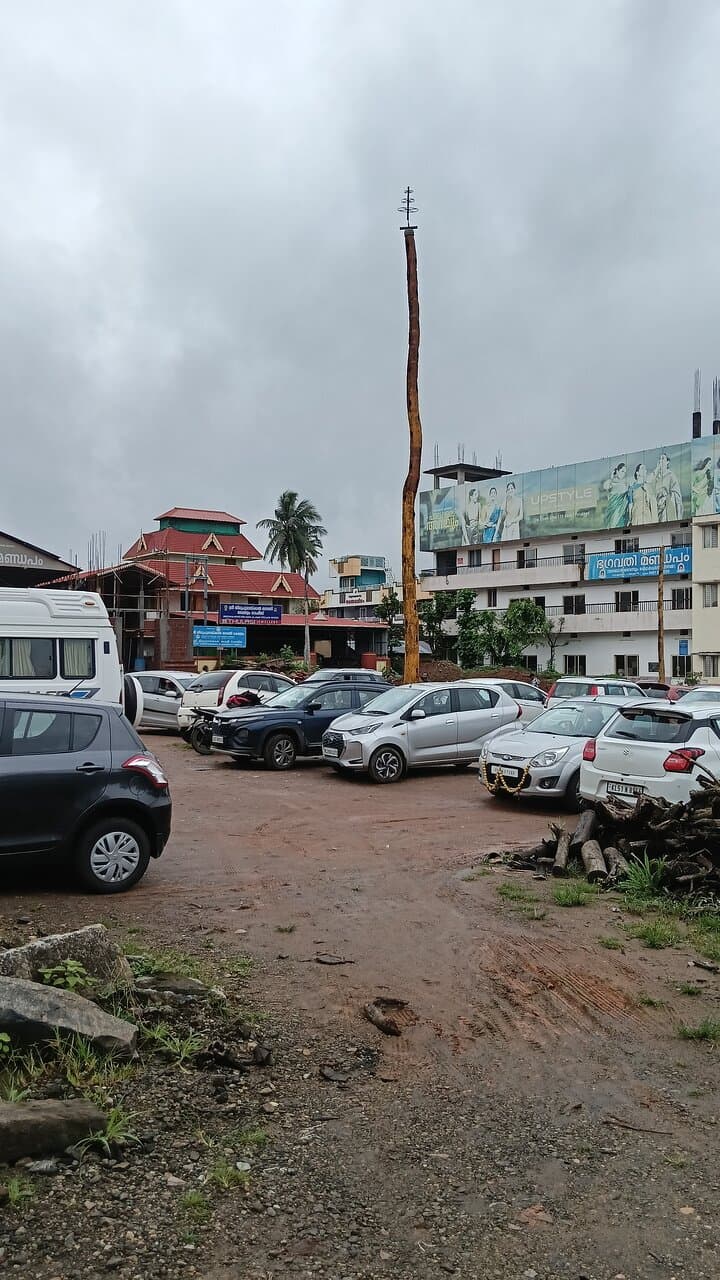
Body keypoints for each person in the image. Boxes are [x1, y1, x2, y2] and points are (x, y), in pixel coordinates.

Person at [653, 452, 684, 521]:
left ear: (667, 462)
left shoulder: (671, 476)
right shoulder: (656, 477)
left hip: (667, 506)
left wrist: (666, 497)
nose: (661, 460)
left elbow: (676, 493)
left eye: (663, 458)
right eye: (660, 459)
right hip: (658, 506)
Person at [627, 462, 656, 526]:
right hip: (636, 515)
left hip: (646, 515)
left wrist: (647, 491)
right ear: (637, 473)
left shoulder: (647, 486)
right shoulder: (632, 488)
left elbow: (652, 501)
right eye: (642, 468)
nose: (645, 470)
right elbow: (630, 504)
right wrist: (630, 519)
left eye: (645, 469)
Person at [603, 461, 629, 528]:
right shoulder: (611, 482)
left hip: (622, 512)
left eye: (625, 472)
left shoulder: (625, 484)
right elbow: (605, 486)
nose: (623, 474)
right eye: (622, 471)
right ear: (617, 471)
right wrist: (611, 478)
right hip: (612, 510)